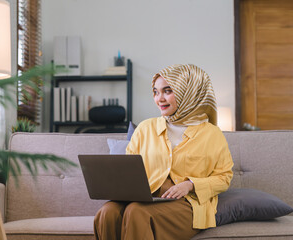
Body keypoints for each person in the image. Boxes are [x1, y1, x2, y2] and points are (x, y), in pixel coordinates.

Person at [94, 64, 234, 240]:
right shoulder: (145, 128)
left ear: (188, 92)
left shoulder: (212, 134)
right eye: (155, 92)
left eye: (167, 91)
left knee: (137, 213)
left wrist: (190, 184)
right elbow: (127, 169)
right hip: (145, 198)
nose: (159, 98)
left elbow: (224, 177)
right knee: (107, 212)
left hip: (187, 204)